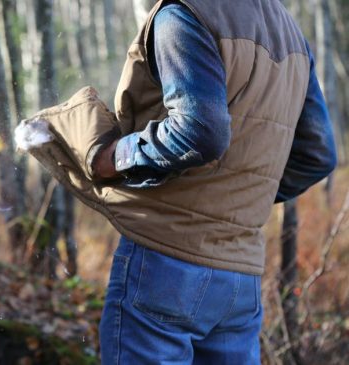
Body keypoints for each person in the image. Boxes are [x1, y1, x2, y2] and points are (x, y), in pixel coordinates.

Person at [84, 0, 337, 364]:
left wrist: (114, 158)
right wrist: (239, 202)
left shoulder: (183, 12)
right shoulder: (292, 35)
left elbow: (200, 130)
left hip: (165, 260)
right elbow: (319, 155)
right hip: (240, 279)